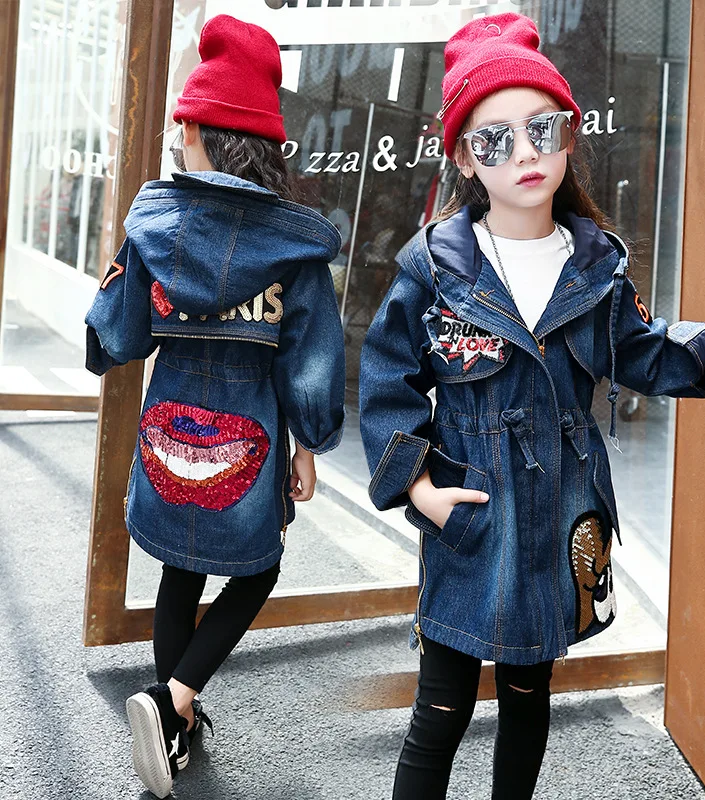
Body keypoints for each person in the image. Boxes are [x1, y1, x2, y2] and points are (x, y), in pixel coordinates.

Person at [358, 13, 705, 799]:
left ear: (568, 135)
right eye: (495, 140)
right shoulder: (436, 265)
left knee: (528, 695)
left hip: (559, 504)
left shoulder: (595, 262)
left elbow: (641, 350)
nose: (524, 153)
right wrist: (420, 488)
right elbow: (389, 379)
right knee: (440, 707)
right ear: (464, 158)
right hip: (470, 506)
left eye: (542, 129)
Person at [85, 15, 345, 798]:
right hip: (249, 441)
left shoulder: (154, 227)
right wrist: (308, 445)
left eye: (181, 131)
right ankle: (175, 699)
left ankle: (175, 718)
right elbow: (311, 362)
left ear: (196, 130)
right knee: (257, 569)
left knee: (180, 568)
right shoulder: (295, 249)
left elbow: (119, 335)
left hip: (166, 434)